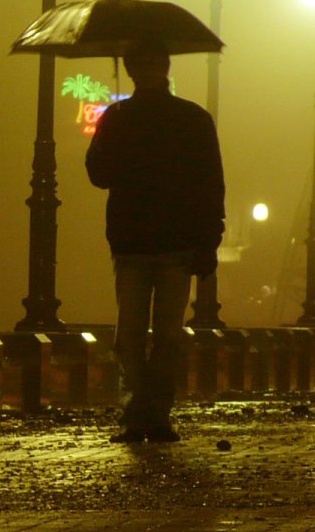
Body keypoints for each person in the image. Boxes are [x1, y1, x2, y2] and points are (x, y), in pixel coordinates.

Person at [84, 44, 225, 443]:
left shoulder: (120, 117)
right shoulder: (193, 118)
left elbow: (99, 174)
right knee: (166, 334)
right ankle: (156, 415)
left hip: (133, 240)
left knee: (131, 333)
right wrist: (209, 237)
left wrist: (105, 140)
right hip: (174, 241)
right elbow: (211, 183)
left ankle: (136, 414)